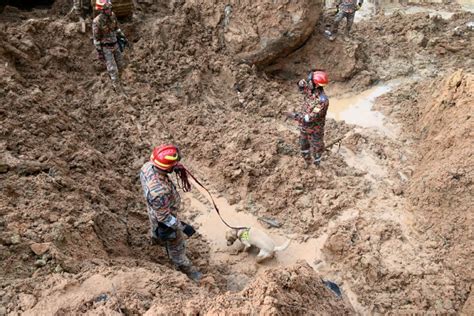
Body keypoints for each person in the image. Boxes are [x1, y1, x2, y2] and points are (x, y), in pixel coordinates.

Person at [139, 144, 202, 281]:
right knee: (176, 245)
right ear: (167, 167)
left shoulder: (148, 167)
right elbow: (164, 217)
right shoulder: (159, 192)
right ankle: (187, 270)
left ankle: (156, 239)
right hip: (165, 219)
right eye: (173, 164)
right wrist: (183, 227)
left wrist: (173, 167)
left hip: (154, 210)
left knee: (155, 228)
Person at [287, 70, 330, 167]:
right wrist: (300, 83)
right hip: (304, 128)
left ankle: (317, 165)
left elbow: (308, 118)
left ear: (316, 85)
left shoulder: (322, 101)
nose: (308, 83)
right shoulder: (312, 90)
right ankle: (306, 161)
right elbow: (302, 88)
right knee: (303, 145)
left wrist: (293, 115)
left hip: (315, 131)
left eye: (310, 82)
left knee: (317, 148)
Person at [92, 0, 126, 92]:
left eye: (110, 8)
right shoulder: (97, 21)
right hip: (106, 48)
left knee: (121, 66)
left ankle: (119, 83)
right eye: (107, 9)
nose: (109, 10)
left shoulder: (112, 16)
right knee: (113, 70)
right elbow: (96, 39)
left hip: (115, 44)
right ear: (102, 10)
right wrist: (99, 52)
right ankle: (117, 89)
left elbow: (116, 28)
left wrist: (122, 36)